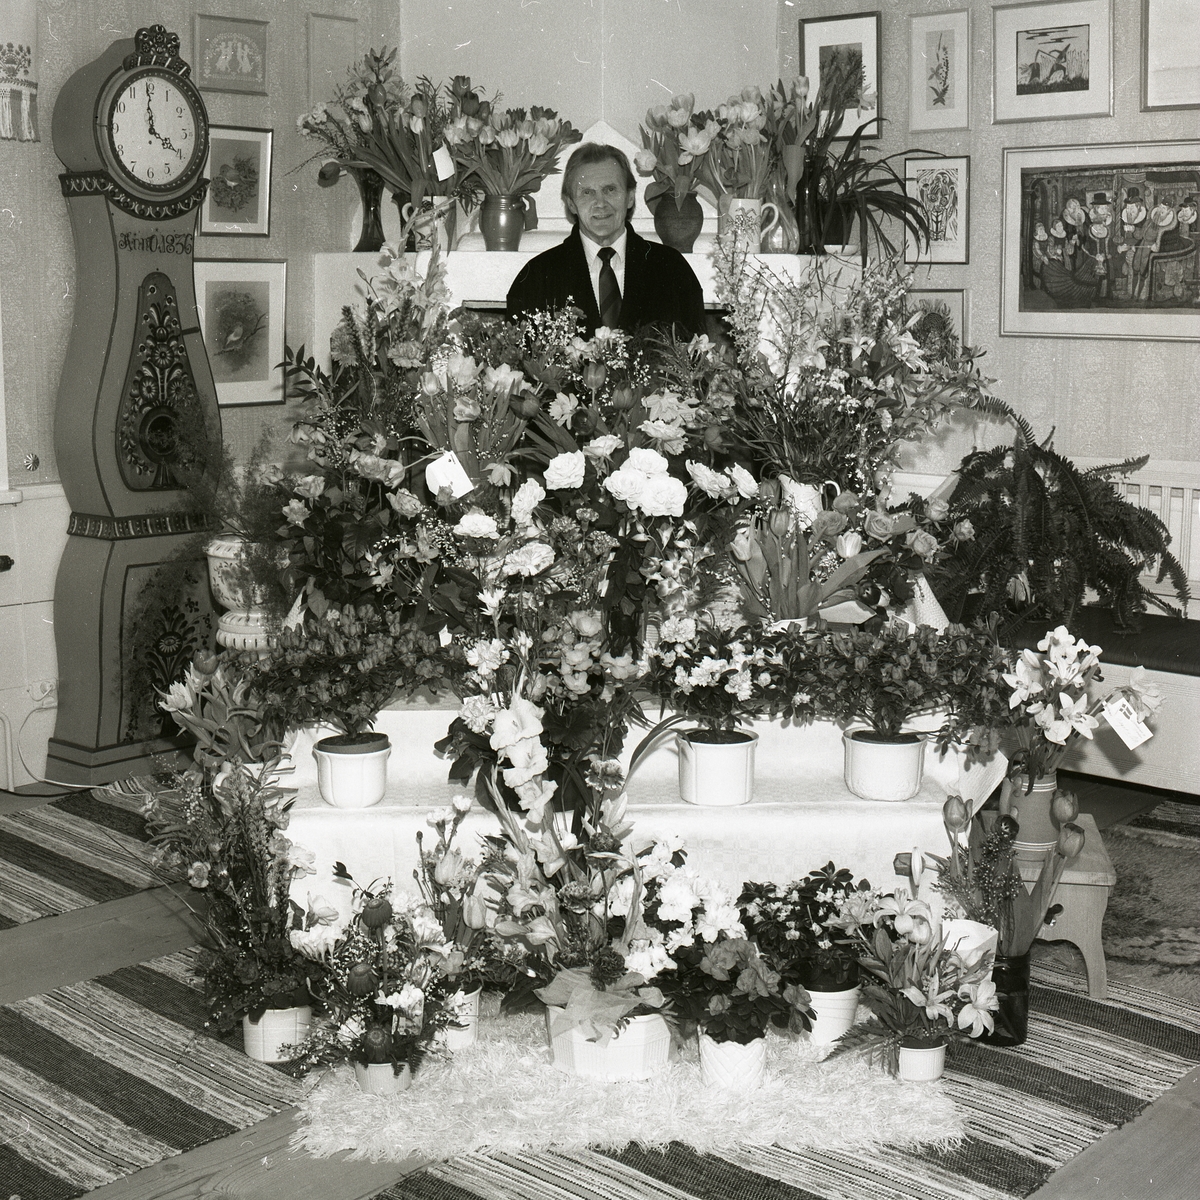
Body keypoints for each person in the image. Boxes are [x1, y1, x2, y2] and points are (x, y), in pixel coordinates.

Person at [506, 143, 706, 338]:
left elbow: (696, 361)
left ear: (629, 197)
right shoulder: (537, 277)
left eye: (610, 190)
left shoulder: (672, 270)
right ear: (571, 204)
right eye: (587, 192)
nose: (600, 203)